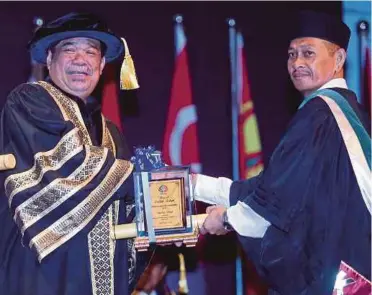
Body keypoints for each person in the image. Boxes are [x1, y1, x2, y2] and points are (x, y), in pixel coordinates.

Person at [193, 10, 371, 295]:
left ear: (338, 59)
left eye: (308, 53)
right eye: (291, 54)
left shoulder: (320, 115)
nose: (297, 63)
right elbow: (273, 188)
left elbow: (274, 206)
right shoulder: (349, 111)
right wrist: (195, 186)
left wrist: (225, 220)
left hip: (335, 276)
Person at [0, 11, 161, 295]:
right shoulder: (29, 102)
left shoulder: (111, 133)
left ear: (101, 66)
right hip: (41, 276)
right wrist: (141, 179)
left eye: (90, 52)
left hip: (98, 282)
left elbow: (124, 211)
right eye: (69, 50)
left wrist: (159, 216)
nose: (80, 60)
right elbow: (68, 167)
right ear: (49, 59)